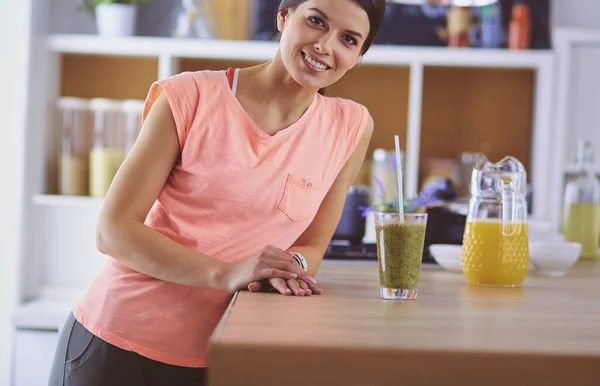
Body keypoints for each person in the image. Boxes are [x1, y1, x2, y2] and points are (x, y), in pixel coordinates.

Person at [48, 0, 386, 385]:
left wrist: (287, 269)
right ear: (283, 16)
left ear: (358, 56)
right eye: (315, 21)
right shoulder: (189, 96)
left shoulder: (351, 126)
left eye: (348, 39)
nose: (326, 45)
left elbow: (312, 245)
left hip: (224, 355)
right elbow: (112, 231)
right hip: (119, 342)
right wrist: (228, 274)